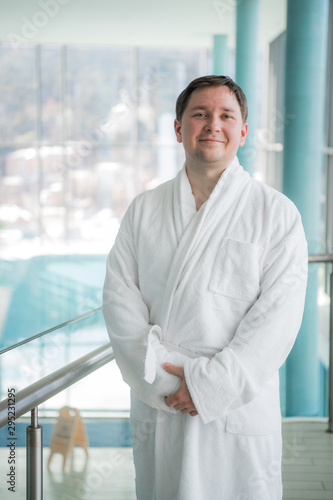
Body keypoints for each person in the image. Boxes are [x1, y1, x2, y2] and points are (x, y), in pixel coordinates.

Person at [103, 75, 308, 500]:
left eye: (225, 116)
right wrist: (166, 385)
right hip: (162, 407)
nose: (213, 124)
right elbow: (119, 301)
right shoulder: (144, 210)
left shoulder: (276, 214)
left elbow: (277, 321)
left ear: (243, 132)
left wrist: (208, 386)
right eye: (200, 114)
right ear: (179, 128)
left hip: (233, 410)